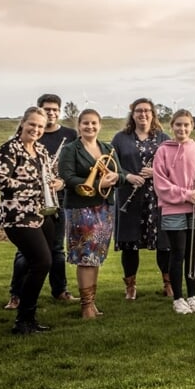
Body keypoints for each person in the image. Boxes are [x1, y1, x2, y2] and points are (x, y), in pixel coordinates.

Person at [3, 94, 78, 311]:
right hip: (27, 206)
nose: (51, 113)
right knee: (26, 253)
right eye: (47, 109)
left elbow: (66, 169)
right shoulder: (22, 140)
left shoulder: (69, 135)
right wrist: (36, 186)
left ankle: (59, 290)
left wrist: (61, 182)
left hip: (56, 200)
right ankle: (16, 295)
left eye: (55, 109)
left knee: (56, 249)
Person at [0, 107, 62, 334]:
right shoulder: (9, 148)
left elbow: (51, 176)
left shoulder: (41, 150)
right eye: (32, 124)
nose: (36, 129)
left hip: (41, 213)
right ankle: (22, 320)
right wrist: (33, 187)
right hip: (18, 216)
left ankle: (28, 318)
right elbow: (0, 181)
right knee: (41, 262)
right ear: (23, 123)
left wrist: (56, 183)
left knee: (44, 262)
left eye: (40, 126)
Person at [59, 109, 123, 319]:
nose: (90, 127)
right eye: (85, 123)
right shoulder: (71, 149)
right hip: (81, 209)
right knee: (85, 256)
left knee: (95, 257)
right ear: (79, 125)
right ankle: (86, 306)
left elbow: (120, 175)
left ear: (100, 125)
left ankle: (91, 303)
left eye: (94, 123)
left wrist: (115, 176)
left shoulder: (107, 148)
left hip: (104, 208)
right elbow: (67, 178)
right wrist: (98, 183)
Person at [153, 109, 195, 314]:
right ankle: (178, 298)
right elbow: (160, 183)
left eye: (186, 125)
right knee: (177, 253)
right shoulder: (163, 150)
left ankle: (192, 296)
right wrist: (186, 194)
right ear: (172, 126)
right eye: (178, 125)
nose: (182, 128)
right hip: (173, 208)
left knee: (192, 254)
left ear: (192, 126)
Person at [112, 98, 171, 301]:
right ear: (132, 114)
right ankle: (130, 286)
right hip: (130, 196)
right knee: (130, 244)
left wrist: (156, 173)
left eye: (147, 111)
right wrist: (127, 176)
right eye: (139, 111)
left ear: (153, 114)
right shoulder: (120, 138)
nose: (143, 114)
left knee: (164, 243)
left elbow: (174, 167)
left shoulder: (163, 138)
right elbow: (113, 166)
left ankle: (168, 283)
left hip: (158, 198)